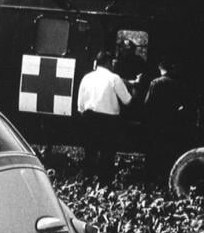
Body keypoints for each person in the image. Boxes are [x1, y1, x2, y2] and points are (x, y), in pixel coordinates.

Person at [77, 51, 132, 183]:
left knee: (90, 151)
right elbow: (127, 101)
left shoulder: (87, 77)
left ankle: (87, 181)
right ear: (108, 62)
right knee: (107, 153)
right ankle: (104, 183)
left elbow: (80, 105)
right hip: (109, 121)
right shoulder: (114, 78)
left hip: (89, 117)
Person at [143, 59, 187, 177]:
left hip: (156, 120)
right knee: (168, 147)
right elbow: (182, 105)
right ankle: (166, 173)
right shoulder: (177, 84)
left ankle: (151, 174)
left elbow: (148, 103)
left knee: (154, 147)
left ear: (160, 69)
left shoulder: (155, 83)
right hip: (171, 120)